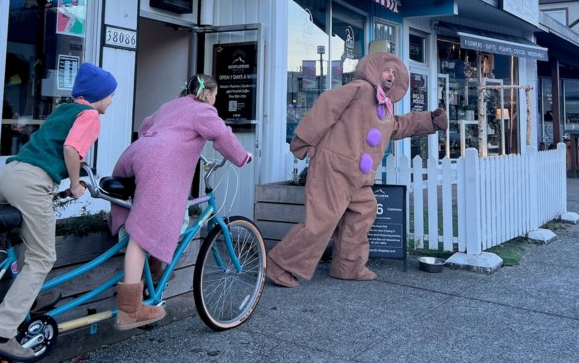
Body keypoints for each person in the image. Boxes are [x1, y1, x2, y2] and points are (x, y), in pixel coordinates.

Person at [266, 51, 448, 288]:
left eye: (394, 72)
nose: (391, 75)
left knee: (363, 213)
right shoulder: (360, 88)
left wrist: (431, 121)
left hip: (360, 177)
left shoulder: (385, 108)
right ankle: (279, 266)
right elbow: (327, 106)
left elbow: (399, 126)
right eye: (387, 70)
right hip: (335, 167)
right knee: (322, 220)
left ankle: (348, 265)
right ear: (374, 69)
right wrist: (303, 141)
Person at [0, 62, 117, 362]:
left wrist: (60, 184)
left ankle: (28, 302)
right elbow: (71, 149)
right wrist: (76, 184)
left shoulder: (63, 110)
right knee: (43, 257)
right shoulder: (89, 114)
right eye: (111, 94)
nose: (112, 100)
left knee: (30, 250)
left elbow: (48, 147)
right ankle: (0, 333)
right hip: (30, 182)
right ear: (98, 95)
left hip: (7, 176)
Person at [108, 74, 252, 331]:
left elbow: (146, 125)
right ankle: (130, 310)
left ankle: (152, 275)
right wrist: (242, 157)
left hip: (135, 153)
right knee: (142, 235)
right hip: (158, 162)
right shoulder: (202, 110)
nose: (214, 100)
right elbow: (222, 135)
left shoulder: (170, 105)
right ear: (207, 94)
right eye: (215, 95)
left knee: (152, 219)